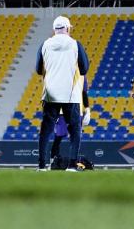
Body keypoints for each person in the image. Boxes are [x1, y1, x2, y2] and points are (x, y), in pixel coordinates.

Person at [36, 15, 89, 172]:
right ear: (68, 28)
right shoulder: (75, 44)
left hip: (50, 94)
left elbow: (38, 69)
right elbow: (84, 68)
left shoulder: (45, 44)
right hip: (70, 94)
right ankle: (72, 165)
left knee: (45, 130)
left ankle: (42, 165)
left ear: (54, 30)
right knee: (74, 130)